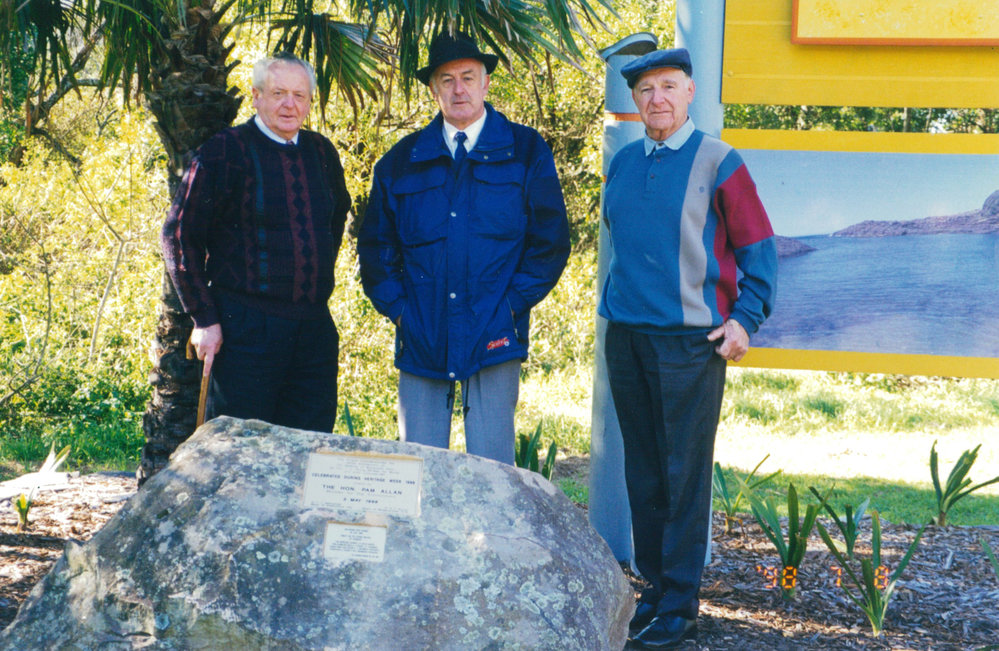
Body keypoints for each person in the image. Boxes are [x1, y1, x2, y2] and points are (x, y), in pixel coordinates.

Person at [599, 48, 777, 649]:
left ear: (690, 93)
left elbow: (759, 251)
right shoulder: (622, 164)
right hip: (626, 337)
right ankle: (654, 589)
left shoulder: (719, 162)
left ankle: (680, 603)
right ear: (636, 99)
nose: (657, 100)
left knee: (682, 474)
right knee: (643, 471)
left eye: (668, 87)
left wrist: (744, 320)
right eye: (646, 90)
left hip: (689, 345)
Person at [357, 31, 570, 465]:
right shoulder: (400, 161)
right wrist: (401, 312)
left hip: (495, 332)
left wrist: (510, 307)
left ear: (486, 82)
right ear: (433, 89)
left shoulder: (526, 150)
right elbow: (376, 250)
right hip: (421, 336)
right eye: (447, 79)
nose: (459, 89)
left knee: (492, 472)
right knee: (416, 473)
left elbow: (550, 243)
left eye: (468, 77)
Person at [161, 53, 351, 433]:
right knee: (237, 446)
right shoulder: (225, 151)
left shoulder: (322, 153)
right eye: (278, 92)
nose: (289, 104)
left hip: (312, 330)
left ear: (310, 102)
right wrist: (205, 318)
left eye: (300, 95)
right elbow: (179, 235)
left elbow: (335, 220)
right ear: (256, 96)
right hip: (243, 328)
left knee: (309, 447)